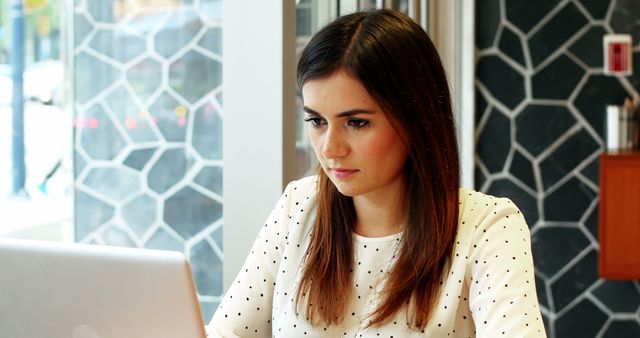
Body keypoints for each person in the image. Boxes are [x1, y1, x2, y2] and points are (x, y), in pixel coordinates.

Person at [207, 9, 546, 338]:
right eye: (317, 121)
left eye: (357, 123)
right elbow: (227, 331)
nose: (329, 148)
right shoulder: (298, 206)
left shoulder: (488, 226)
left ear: (416, 119)